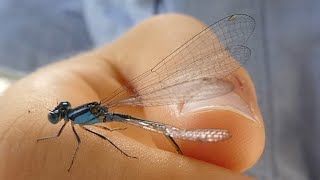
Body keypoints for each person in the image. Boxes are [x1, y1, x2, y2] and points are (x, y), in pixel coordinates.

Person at [0, 1, 319, 180]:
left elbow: (97, 135)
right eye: (61, 112)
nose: (62, 113)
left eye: (62, 112)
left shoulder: (77, 121)